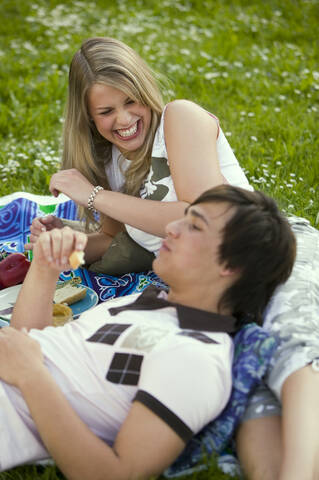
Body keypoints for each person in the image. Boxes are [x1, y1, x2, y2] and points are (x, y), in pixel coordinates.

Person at [0, 185, 295, 479]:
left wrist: (32, 378)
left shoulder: (196, 358)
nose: (171, 227)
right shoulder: (147, 302)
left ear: (231, 265)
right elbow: (27, 343)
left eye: (193, 225)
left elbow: (118, 473)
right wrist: (45, 266)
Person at [25, 36, 252, 276]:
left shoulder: (181, 118)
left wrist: (95, 196)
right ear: (88, 116)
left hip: (244, 257)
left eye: (131, 101)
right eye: (106, 111)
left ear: (145, 90)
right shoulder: (106, 159)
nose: (124, 119)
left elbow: (206, 218)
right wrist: (63, 247)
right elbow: (111, 238)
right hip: (191, 277)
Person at [236, 215, 319, 480]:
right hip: (210, 285)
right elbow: (111, 237)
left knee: (289, 335)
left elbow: (216, 212)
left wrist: (102, 197)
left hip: (270, 242)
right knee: (245, 378)